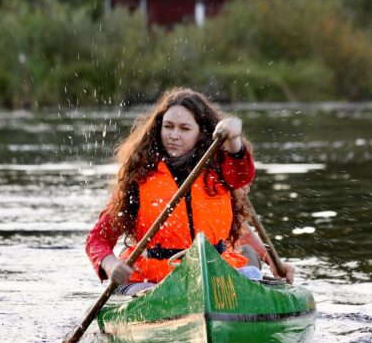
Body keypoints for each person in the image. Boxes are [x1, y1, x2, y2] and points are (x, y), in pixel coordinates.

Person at [86, 88, 286, 295]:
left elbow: (242, 176)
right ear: (158, 129)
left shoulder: (220, 171)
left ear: (201, 133)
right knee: (150, 292)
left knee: (248, 261)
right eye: (168, 127)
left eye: (184, 128)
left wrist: (234, 141)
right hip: (152, 281)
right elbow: (98, 238)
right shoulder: (138, 177)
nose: (174, 135)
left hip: (216, 275)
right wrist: (109, 264)